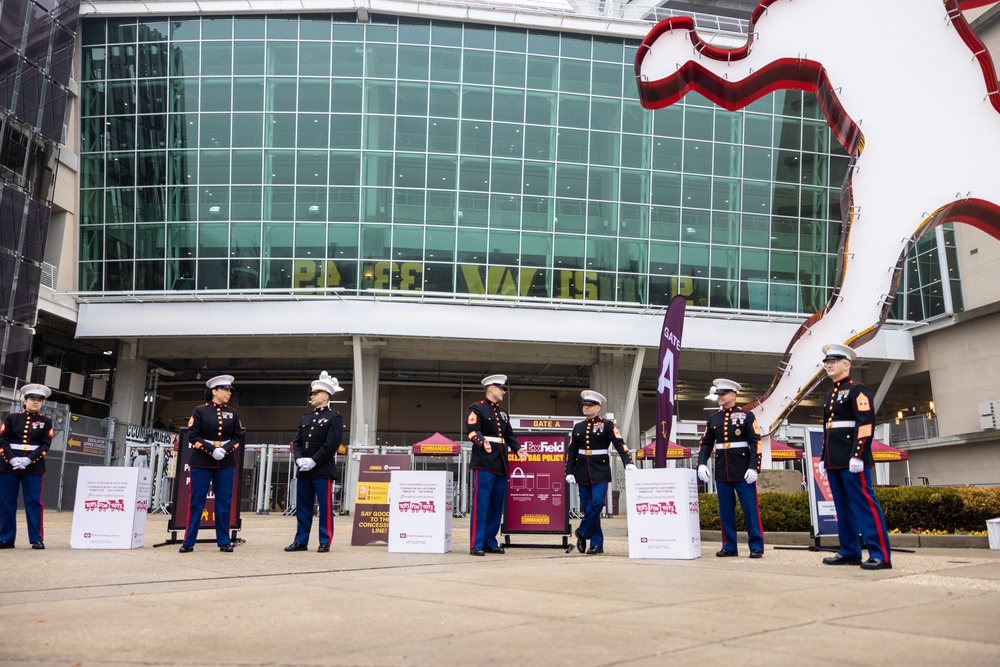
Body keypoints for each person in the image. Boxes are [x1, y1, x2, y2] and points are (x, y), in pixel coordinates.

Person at [818, 343, 892, 570]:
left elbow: (866, 423)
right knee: (842, 506)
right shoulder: (831, 393)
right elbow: (828, 429)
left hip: (852, 458)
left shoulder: (857, 390)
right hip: (834, 459)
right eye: (826, 362)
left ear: (846, 364)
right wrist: (823, 458)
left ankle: (880, 555)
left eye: (833, 361)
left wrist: (858, 455)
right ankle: (850, 550)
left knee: (864, 504)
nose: (828, 365)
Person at [697, 379, 765, 558]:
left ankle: (756, 546)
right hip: (722, 470)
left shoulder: (746, 416)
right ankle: (729, 546)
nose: (719, 397)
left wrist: (754, 467)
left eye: (723, 394)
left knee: (750, 509)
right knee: (726, 511)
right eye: (718, 394)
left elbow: (755, 442)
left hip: (743, 471)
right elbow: (706, 444)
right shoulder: (714, 418)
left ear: (733, 396)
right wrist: (702, 463)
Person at [565, 390, 637, 555]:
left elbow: (620, 443)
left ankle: (582, 532)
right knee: (588, 508)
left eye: (590, 405)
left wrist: (628, 463)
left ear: (598, 408)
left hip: (601, 470)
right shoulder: (578, 427)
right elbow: (572, 450)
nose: (586, 408)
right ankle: (597, 544)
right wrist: (569, 470)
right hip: (582, 470)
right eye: (584, 405)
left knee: (597, 504)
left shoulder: (607, 425)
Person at [180, 375, 245, 553]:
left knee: (223, 503)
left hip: (225, 462)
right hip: (201, 461)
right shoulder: (200, 411)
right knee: (196, 502)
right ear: (214, 391)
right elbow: (193, 436)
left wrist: (226, 449)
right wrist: (211, 449)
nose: (229, 393)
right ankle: (188, 541)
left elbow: (238, 436)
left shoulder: (232, 412)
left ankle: (224, 540)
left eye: (230, 390)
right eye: (225, 390)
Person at [466, 374, 528, 556]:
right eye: (501, 388)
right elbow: (471, 430)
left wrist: (517, 449)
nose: (504, 391)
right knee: (481, 504)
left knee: (495, 504)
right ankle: (476, 543)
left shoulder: (503, 412)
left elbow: (509, 435)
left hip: (501, 461)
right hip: (484, 460)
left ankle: (489, 541)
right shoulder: (476, 408)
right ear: (491, 388)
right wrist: (481, 440)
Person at [285, 371, 344, 553]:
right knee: (303, 508)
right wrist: (299, 459)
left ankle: (325, 541)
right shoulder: (306, 418)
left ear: (325, 396)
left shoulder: (334, 417)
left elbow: (331, 444)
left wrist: (313, 461)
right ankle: (301, 541)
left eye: (315, 393)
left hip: (322, 469)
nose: (312, 396)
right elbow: (298, 441)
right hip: (304, 469)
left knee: (325, 509)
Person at [0, 383, 54, 549]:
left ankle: (37, 539)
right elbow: (2, 440)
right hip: (9, 467)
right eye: (32, 399)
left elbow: (45, 444)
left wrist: (29, 460)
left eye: (39, 400)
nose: (35, 402)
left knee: (34, 502)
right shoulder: (11, 418)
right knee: (6, 502)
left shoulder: (46, 421)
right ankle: (6, 538)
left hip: (34, 468)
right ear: (25, 401)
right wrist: (12, 459)